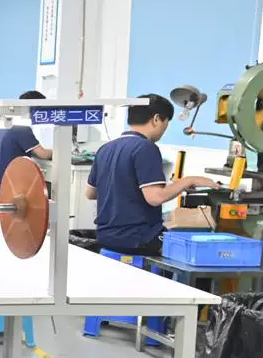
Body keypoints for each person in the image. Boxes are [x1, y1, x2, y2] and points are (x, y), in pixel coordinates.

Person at [85, 93, 212, 256]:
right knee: (197, 251)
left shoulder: (105, 148)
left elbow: (91, 193)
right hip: (137, 238)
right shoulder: (146, 148)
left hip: (106, 236)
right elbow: (155, 198)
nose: (164, 129)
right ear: (156, 119)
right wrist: (188, 181)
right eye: (166, 123)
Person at [0, 90, 54, 171]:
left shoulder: (6, 125)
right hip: (14, 175)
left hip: (2, 175)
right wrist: (59, 152)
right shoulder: (22, 128)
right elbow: (43, 154)